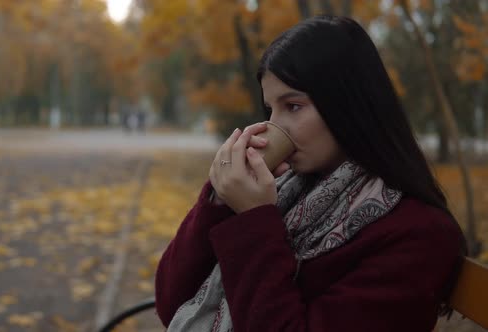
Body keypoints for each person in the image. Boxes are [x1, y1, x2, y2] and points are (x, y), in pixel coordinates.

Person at [154, 15, 467, 331]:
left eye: (292, 106)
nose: (274, 127)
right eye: (270, 110)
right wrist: (219, 200)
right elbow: (170, 302)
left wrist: (254, 220)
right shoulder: (287, 191)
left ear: (347, 105)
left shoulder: (417, 234)